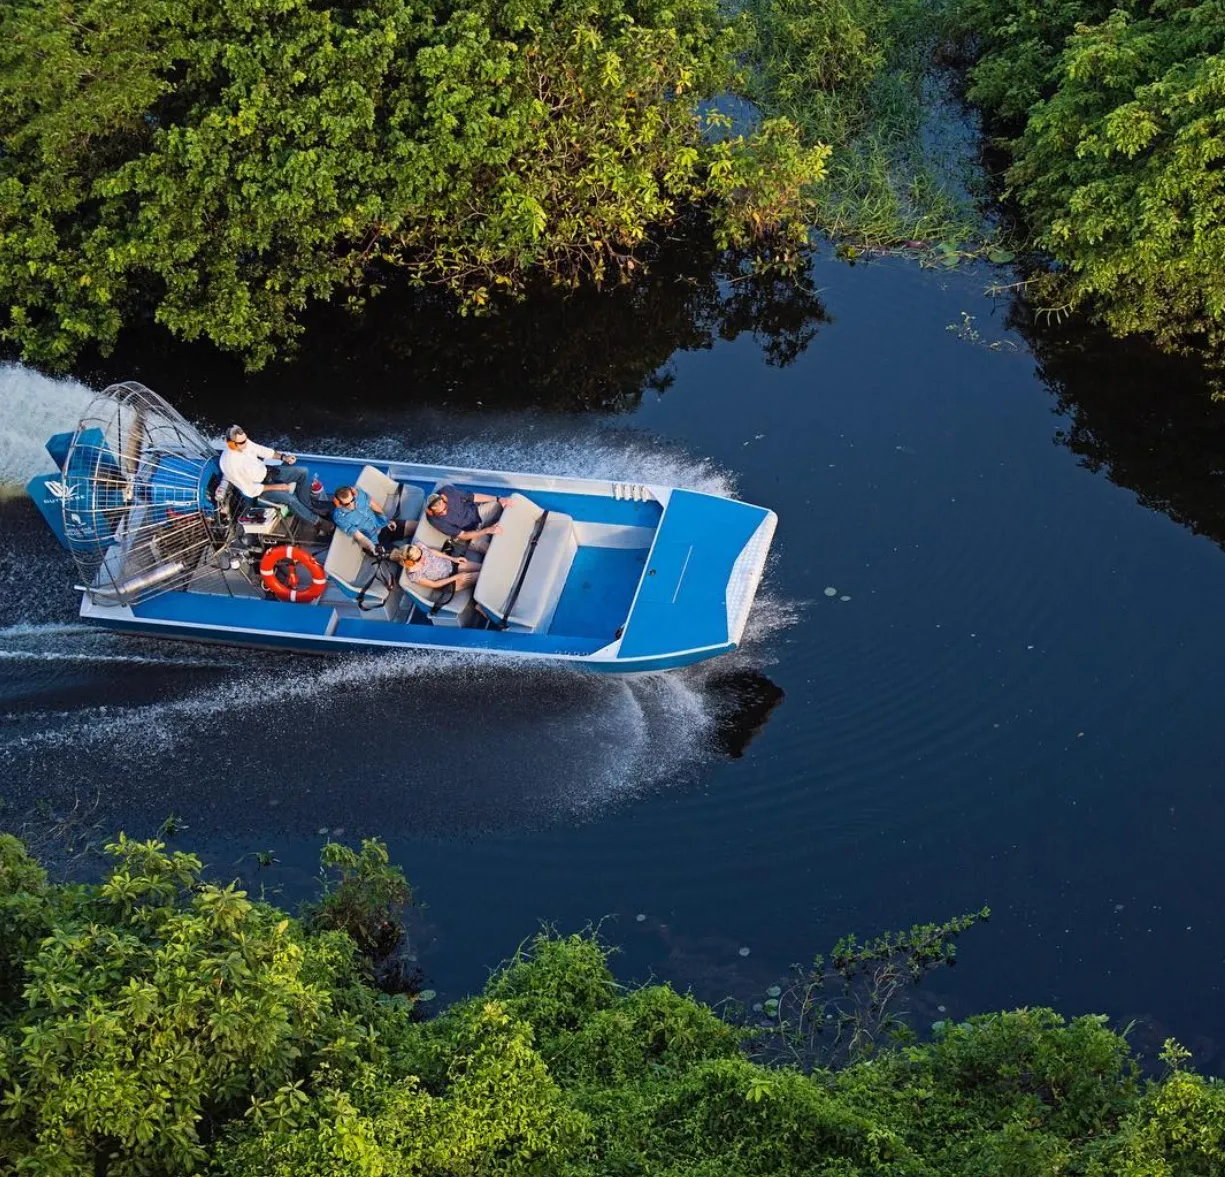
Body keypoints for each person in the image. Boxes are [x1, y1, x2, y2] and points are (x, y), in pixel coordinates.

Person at [219, 425, 329, 535]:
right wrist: (278, 487)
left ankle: (308, 507)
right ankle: (317, 522)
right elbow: (250, 490)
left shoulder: (244, 443)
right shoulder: (231, 464)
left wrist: (283, 457)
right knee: (291, 499)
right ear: (231, 444)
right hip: (259, 492)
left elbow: (262, 450)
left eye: (246, 439)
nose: (246, 443)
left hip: (268, 473)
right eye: (243, 442)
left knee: (303, 472)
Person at [331, 485, 415, 557]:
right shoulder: (339, 517)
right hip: (374, 542)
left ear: (353, 493)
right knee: (405, 556)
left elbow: (374, 505)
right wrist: (372, 547)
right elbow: (358, 536)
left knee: (415, 527)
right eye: (346, 504)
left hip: (383, 525)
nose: (351, 505)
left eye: (352, 500)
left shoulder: (359, 494)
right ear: (338, 503)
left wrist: (386, 520)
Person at [425, 485, 512, 554]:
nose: (444, 513)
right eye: (440, 513)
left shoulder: (449, 491)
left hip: (477, 513)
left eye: (445, 509)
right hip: (469, 534)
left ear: (444, 500)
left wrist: (498, 499)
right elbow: (463, 535)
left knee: (506, 503)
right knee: (492, 550)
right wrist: (487, 530)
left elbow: (474, 497)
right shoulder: (433, 519)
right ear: (432, 512)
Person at [399, 542, 481, 592]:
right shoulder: (414, 574)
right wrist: (456, 577)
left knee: (482, 568)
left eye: (420, 552)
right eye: (419, 558)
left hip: (450, 565)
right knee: (480, 576)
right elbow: (435, 584)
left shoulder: (419, 547)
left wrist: (453, 559)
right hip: (449, 582)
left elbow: (433, 552)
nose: (423, 556)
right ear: (411, 562)